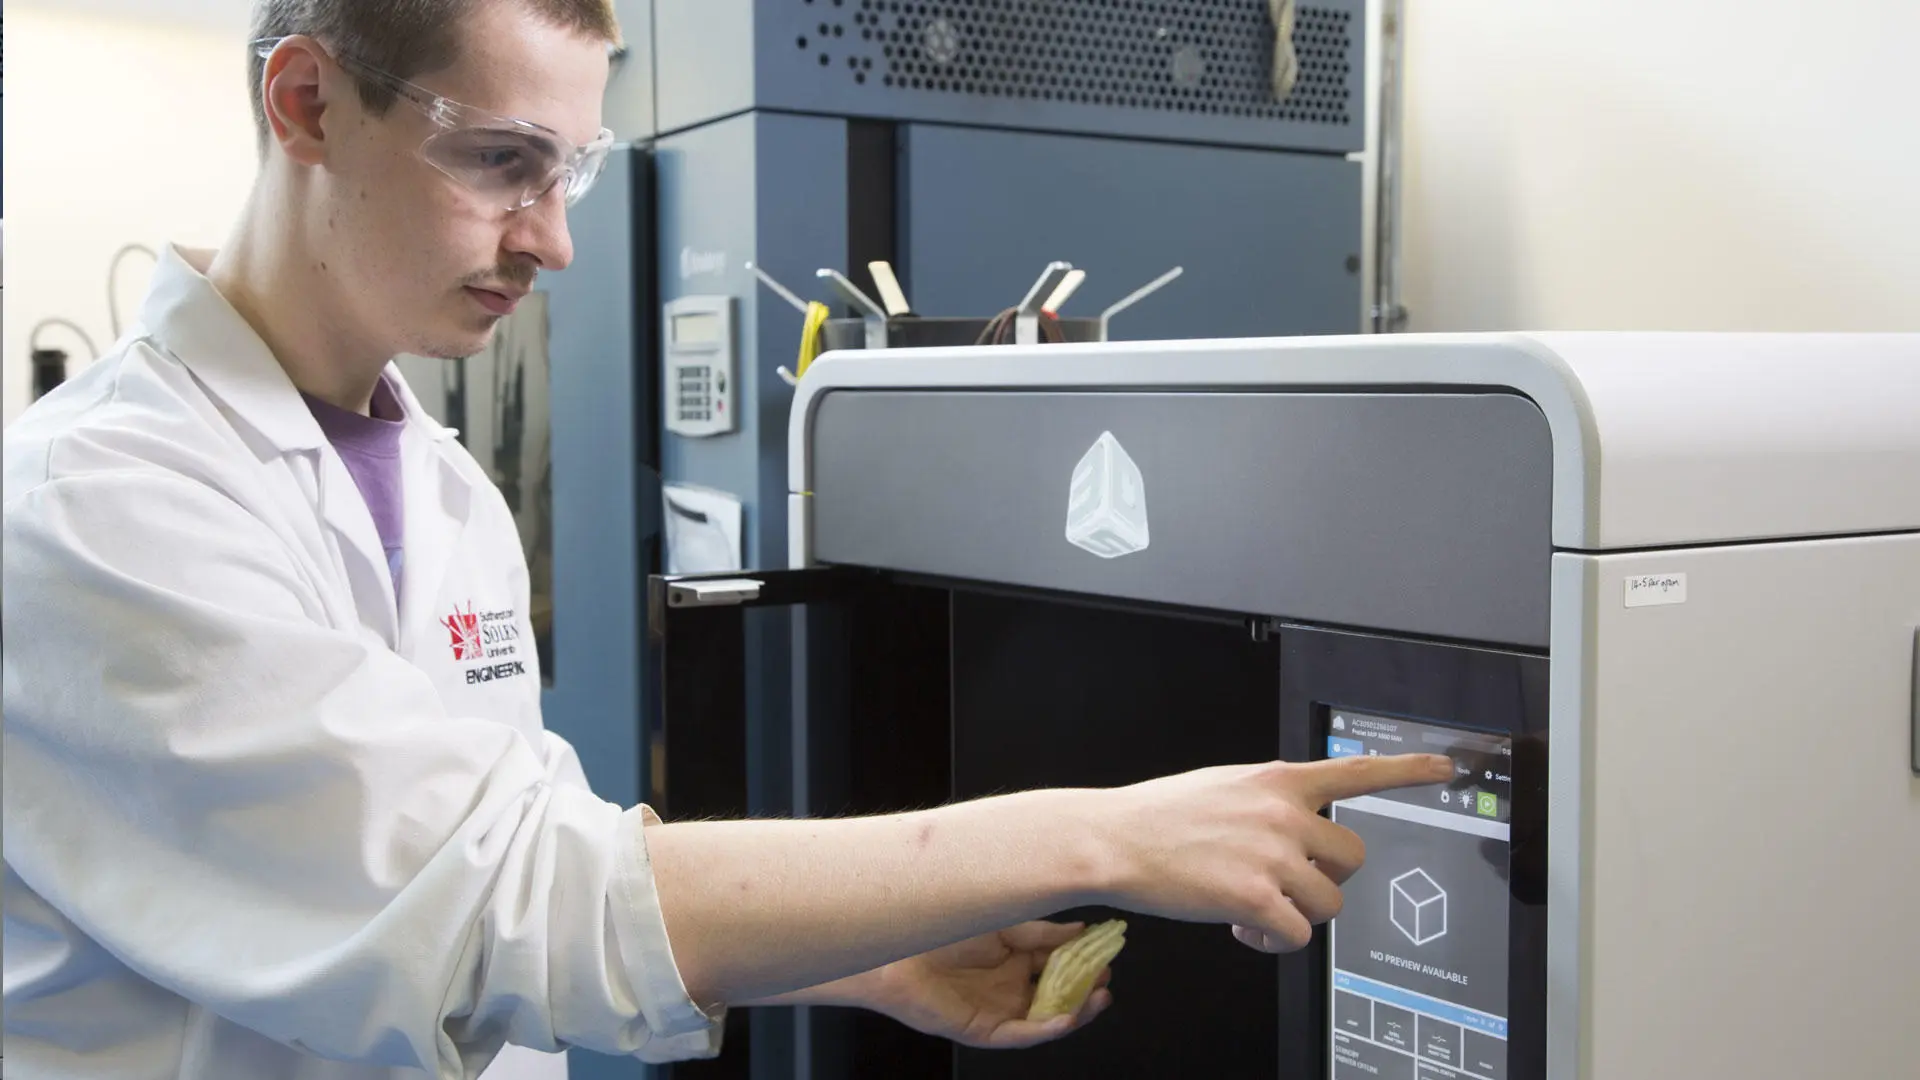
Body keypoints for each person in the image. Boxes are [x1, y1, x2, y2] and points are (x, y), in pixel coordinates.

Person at [0, 1, 1455, 1077]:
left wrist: (874, 954)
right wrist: (1102, 831)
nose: (554, 238)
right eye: (503, 159)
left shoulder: (436, 484)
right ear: (307, 103)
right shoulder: (98, 507)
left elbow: (526, 843)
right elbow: (506, 906)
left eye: (571, 167)